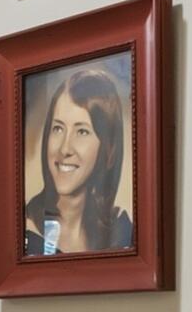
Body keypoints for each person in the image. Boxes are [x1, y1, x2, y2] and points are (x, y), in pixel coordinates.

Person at [21, 64, 133, 256]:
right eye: (58, 128)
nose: (65, 149)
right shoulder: (24, 235)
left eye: (82, 131)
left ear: (109, 150)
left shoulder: (121, 233)